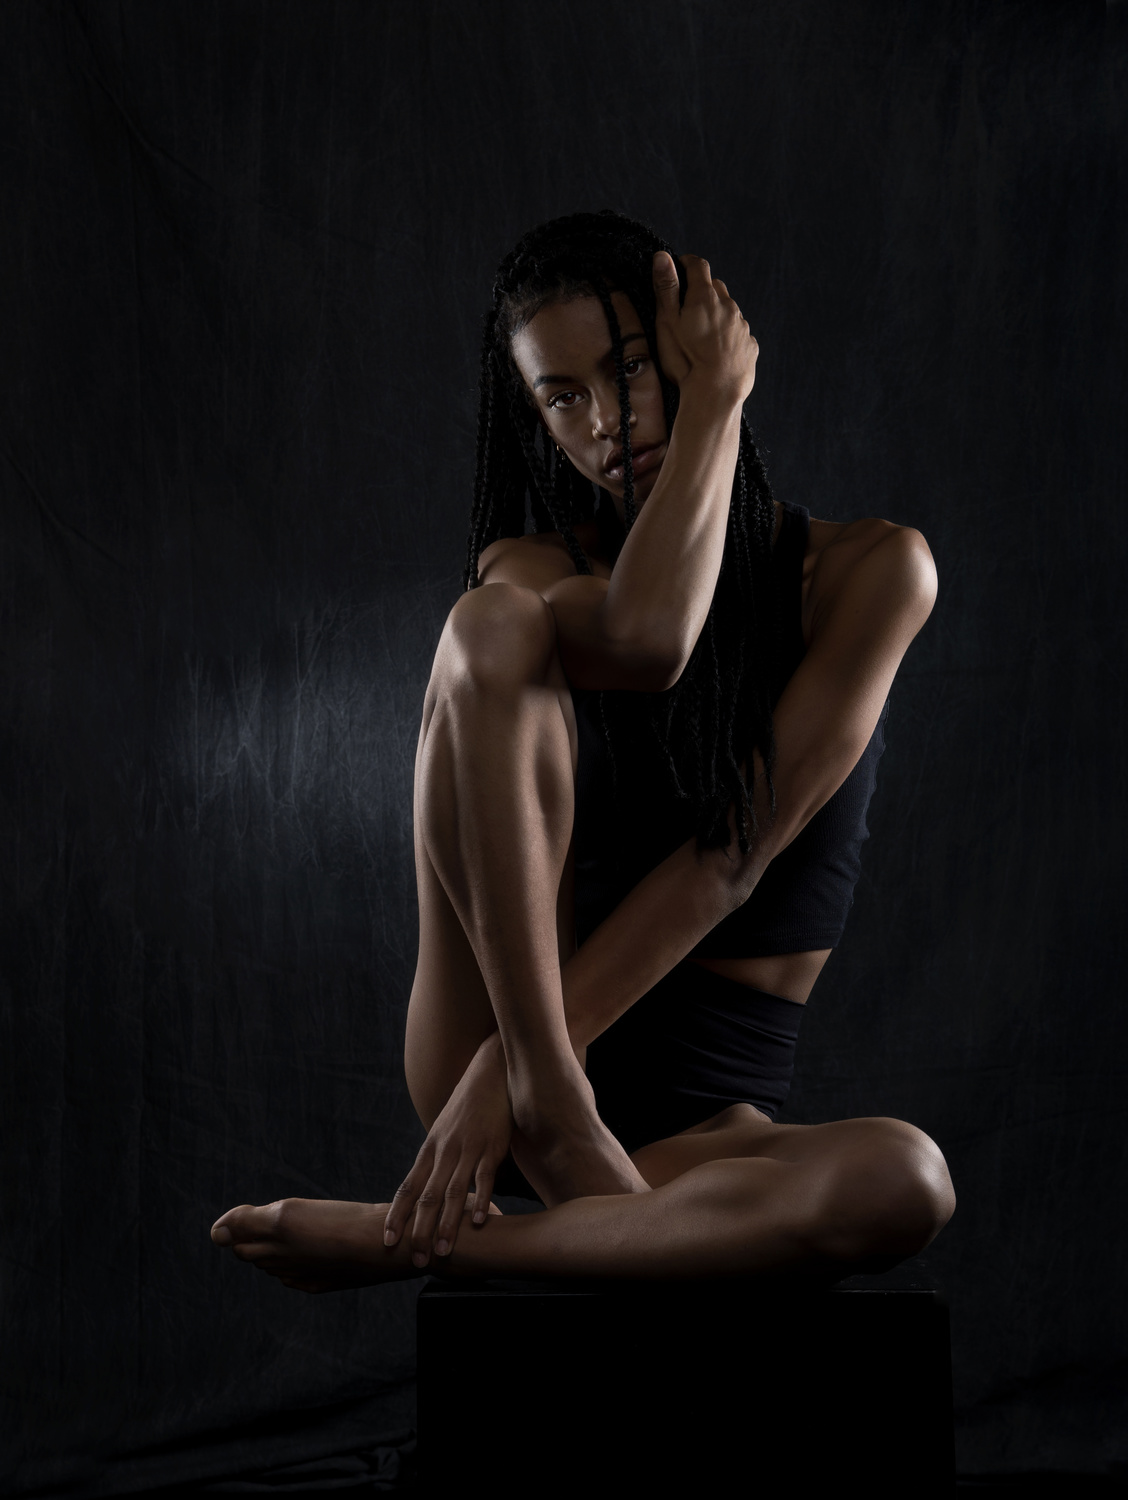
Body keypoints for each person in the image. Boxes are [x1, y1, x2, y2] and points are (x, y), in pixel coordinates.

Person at [210, 210, 955, 1289]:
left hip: (691, 1111)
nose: (606, 421)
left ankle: (415, 1239)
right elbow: (650, 641)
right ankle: (554, 1111)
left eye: (632, 368)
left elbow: (732, 858)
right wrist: (529, 1071)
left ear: (694, 347)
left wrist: (508, 1077)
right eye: (562, 397)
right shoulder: (532, 570)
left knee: (906, 1181)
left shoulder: (871, 575)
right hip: (501, 1039)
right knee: (487, 631)